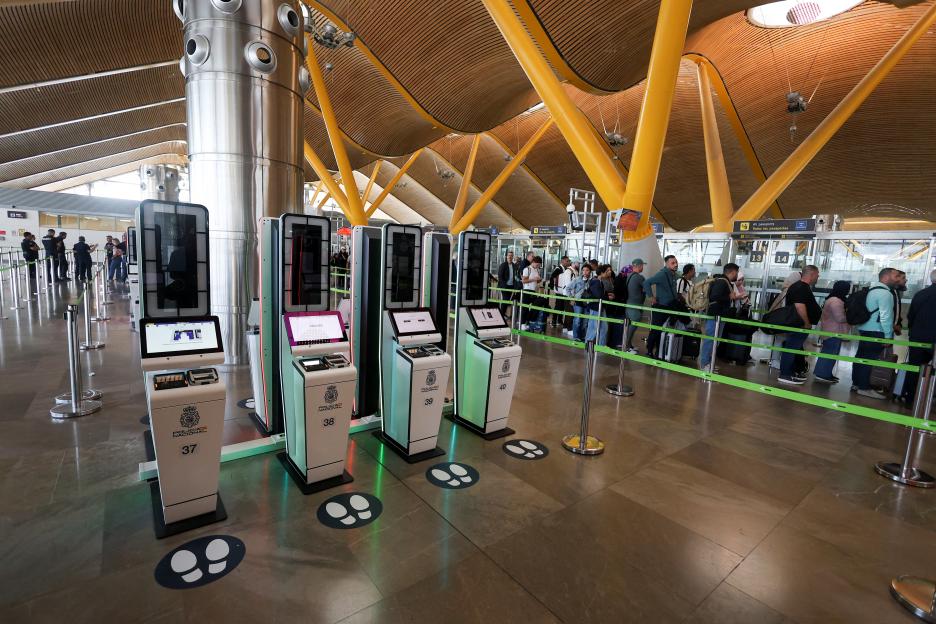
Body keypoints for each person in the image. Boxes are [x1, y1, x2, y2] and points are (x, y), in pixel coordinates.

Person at [852, 268, 900, 399]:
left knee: (861, 357)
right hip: (876, 331)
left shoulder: (872, 290)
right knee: (868, 359)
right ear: (886, 276)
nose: (898, 279)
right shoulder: (885, 294)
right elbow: (885, 317)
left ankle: (856, 383)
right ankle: (864, 387)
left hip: (865, 328)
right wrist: (888, 336)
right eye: (895, 276)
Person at [777, 265, 822, 386]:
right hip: (798, 325)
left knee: (793, 348)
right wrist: (806, 323)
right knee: (791, 348)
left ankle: (789, 372)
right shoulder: (801, 287)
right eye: (817, 275)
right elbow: (799, 306)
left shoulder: (800, 287)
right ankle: (785, 374)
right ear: (811, 274)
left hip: (798, 324)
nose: (818, 277)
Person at [901, 269, 936, 404]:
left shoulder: (920, 294)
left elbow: (911, 316)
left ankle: (910, 398)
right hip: (934, 340)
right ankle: (929, 399)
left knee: (915, 367)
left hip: (918, 338)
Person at [699, 263, 739, 372]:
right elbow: (714, 297)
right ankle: (704, 364)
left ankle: (709, 363)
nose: (737, 275)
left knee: (714, 340)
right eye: (737, 272)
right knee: (710, 340)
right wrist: (729, 297)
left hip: (718, 315)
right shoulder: (722, 281)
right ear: (733, 272)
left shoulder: (724, 281)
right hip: (714, 315)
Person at [812, 281, 851, 384]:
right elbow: (840, 318)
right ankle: (822, 374)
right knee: (830, 353)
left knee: (830, 353)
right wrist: (851, 317)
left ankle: (826, 373)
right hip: (833, 331)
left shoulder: (834, 299)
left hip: (831, 331)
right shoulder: (836, 301)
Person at [644, 255, 680, 358]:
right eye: (673, 263)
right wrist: (651, 297)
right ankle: (649, 350)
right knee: (655, 330)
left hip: (670, 306)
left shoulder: (674, 275)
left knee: (663, 330)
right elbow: (647, 282)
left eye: (676, 262)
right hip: (661, 307)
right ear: (667, 264)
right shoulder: (662, 274)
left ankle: (660, 352)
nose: (676, 264)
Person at [570, 264, 601, 342]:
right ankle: (576, 337)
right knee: (577, 320)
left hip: (588, 303)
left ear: (590, 271)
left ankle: (583, 337)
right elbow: (568, 288)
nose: (585, 272)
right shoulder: (577, 279)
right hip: (578, 302)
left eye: (587, 270)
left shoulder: (593, 281)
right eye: (583, 270)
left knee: (585, 321)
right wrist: (571, 298)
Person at [621, 259, 646, 353]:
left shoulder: (629, 275)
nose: (643, 267)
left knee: (629, 327)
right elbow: (646, 288)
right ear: (639, 266)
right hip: (635, 307)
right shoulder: (639, 277)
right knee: (632, 328)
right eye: (642, 265)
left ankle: (628, 345)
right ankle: (626, 347)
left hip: (629, 305)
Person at [520, 255, 544, 331]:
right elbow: (524, 281)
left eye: (539, 265)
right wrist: (534, 279)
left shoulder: (536, 270)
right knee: (525, 308)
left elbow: (536, 281)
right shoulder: (527, 269)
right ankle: (523, 324)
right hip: (527, 291)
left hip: (533, 291)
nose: (538, 266)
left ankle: (529, 320)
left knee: (539, 303)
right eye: (537, 265)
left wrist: (539, 280)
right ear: (533, 262)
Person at [596, 264, 615, 345]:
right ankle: (599, 344)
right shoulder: (598, 280)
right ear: (603, 272)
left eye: (610, 270)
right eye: (608, 270)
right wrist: (608, 296)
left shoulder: (610, 279)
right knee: (600, 327)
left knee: (605, 326)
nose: (610, 272)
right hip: (600, 306)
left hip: (607, 306)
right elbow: (600, 294)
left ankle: (602, 343)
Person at [549, 256, 572, 328]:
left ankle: (559, 320)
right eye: (567, 261)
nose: (568, 262)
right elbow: (552, 277)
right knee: (558, 305)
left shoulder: (566, 269)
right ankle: (553, 321)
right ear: (562, 261)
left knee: (561, 306)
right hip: (559, 290)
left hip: (563, 290)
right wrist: (553, 287)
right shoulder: (558, 269)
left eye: (569, 261)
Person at [497, 251, 519, 316]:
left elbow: (516, 276)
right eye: (509, 255)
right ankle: (502, 314)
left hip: (511, 286)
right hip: (504, 286)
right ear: (506, 256)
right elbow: (500, 276)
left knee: (507, 300)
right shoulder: (503, 265)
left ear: (513, 257)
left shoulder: (514, 265)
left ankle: (503, 314)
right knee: (505, 299)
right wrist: (504, 286)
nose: (510, 257)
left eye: (511, 255)